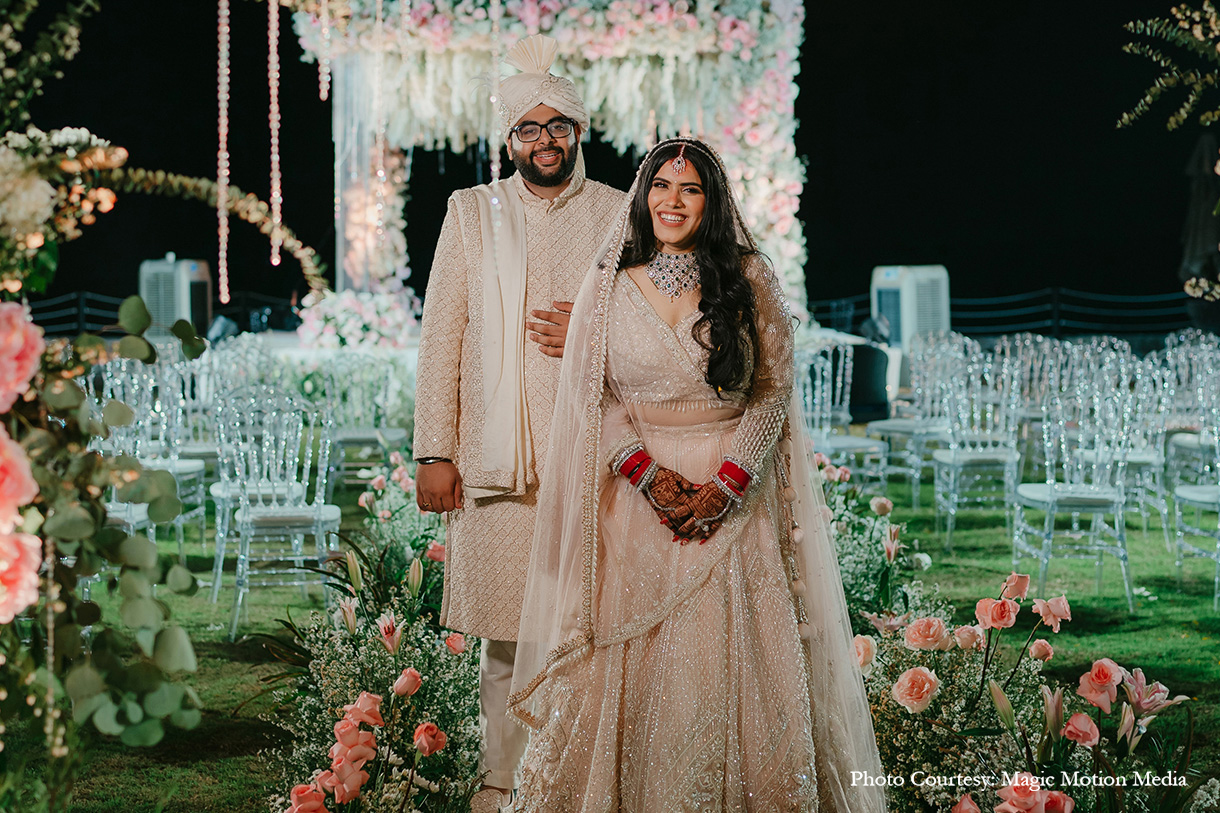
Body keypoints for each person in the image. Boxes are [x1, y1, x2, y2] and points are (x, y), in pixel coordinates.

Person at [507, 138, 888, 812]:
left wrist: (726, 485)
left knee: (731, 669)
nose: (671, 201)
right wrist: (648, 476)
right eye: (660, 185)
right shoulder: (610, 284)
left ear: (711, 203)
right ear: (642, 194)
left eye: (689, 189)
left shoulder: (749, 278)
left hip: (735, 506)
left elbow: (771, 391)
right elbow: (594, 396)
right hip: (634, 505)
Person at [411, 34, 625, 813]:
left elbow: (648, 320)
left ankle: (579, 778)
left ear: (579, 131)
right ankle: (502, 780)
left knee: (589, 627)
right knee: (505, 635)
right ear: (509, 140)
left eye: (558, 125)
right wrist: (435, 449)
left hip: (596, 452)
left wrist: (593, 334)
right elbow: (443, 335)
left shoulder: (617, 211)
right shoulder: (471, 212)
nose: (545, 141)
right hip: (494, 458)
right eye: (528, 129)